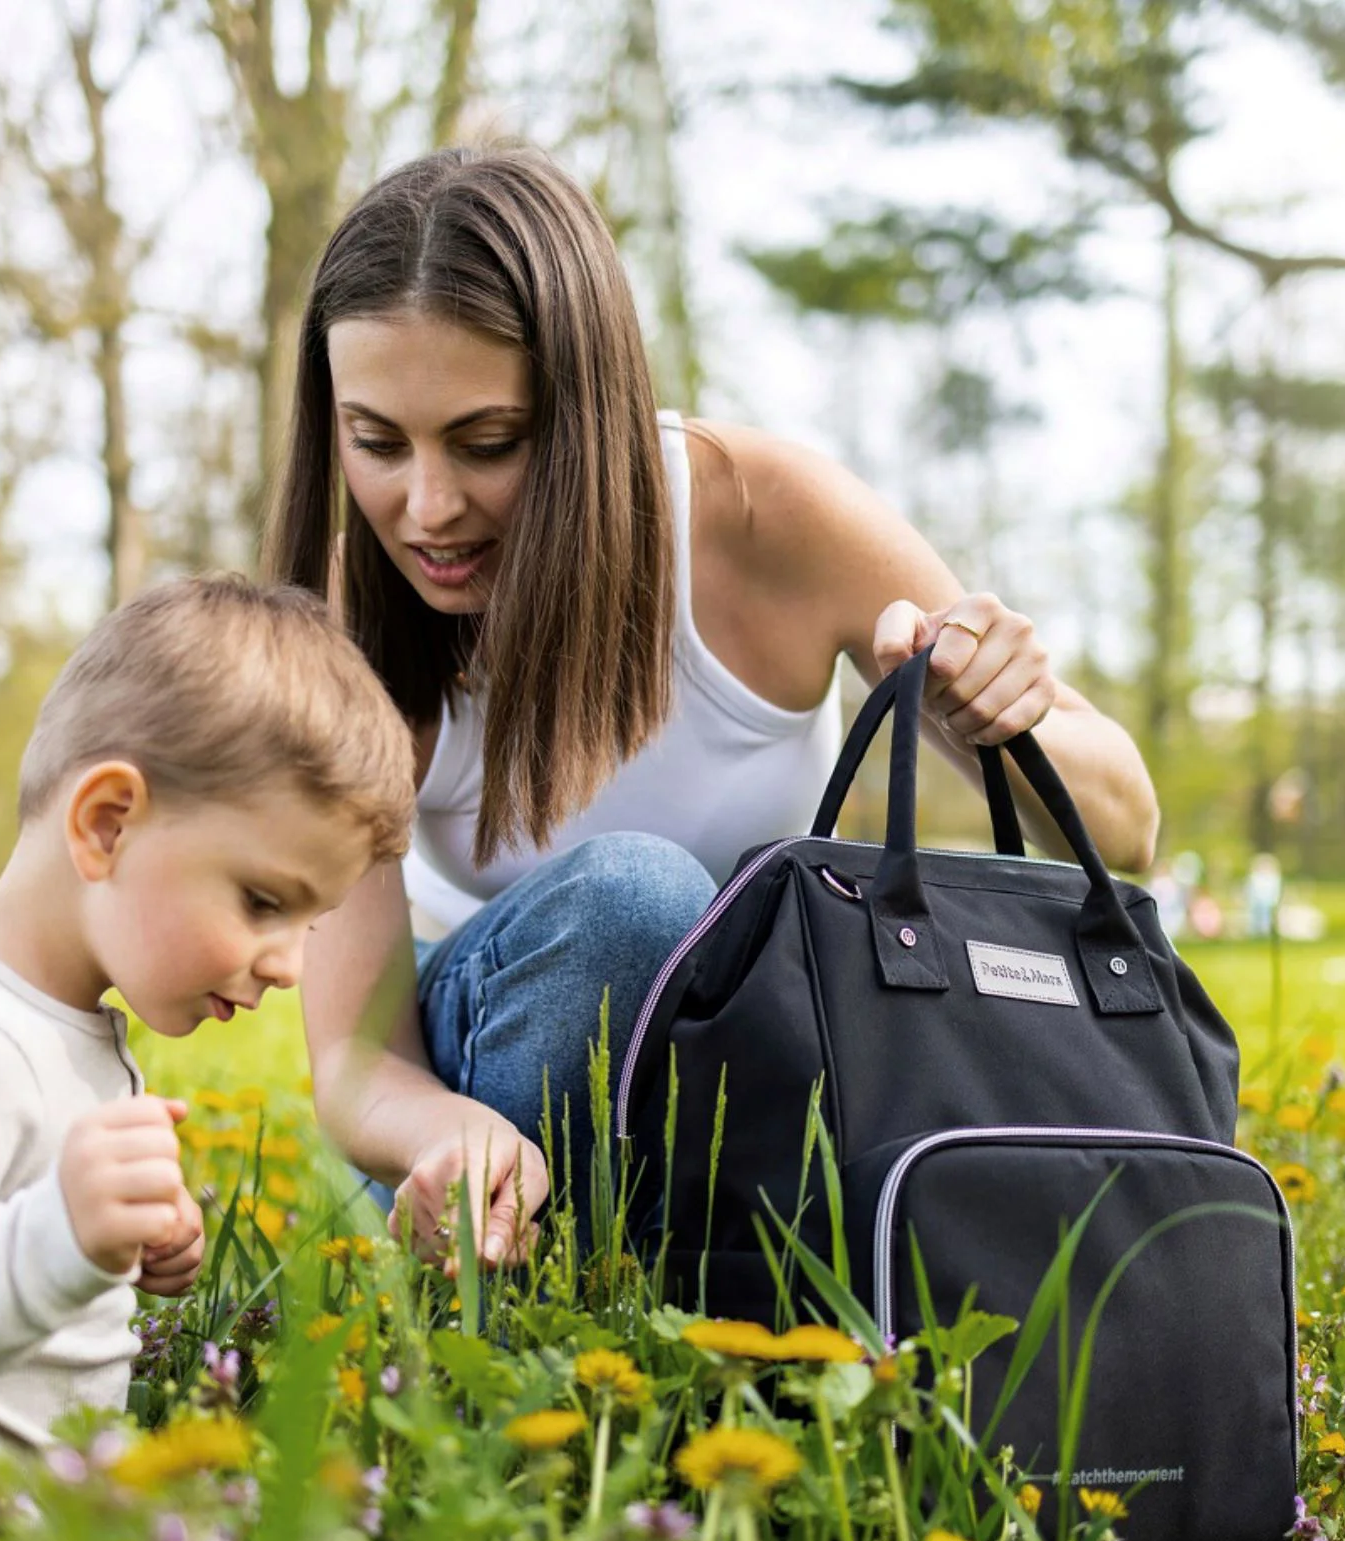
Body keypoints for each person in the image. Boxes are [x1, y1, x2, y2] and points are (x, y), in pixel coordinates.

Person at [266, 145, 1160, 1273]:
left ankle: (700, 1273)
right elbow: (353, 1057)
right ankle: (552, 1285)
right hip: (467, 1103)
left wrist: (995, 710)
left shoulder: (763, 516)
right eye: (377, 442)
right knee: (634, 902)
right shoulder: (350, 616)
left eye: (488, 443)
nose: (428, 507)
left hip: (746, 1081)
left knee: (756, 950)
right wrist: (456, 1137)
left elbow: (1127, 828)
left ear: (587, 410)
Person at [0, 576, 414, 1494]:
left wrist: (129, 1244)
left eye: (309, 924)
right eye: (262, 902)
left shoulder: (58, 1025)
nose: (288, 967)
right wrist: (56, 1241)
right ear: (107, 823)